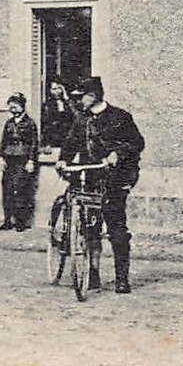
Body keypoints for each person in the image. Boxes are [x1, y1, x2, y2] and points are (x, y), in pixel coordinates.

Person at [57, 76, 144, 293]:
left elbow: (137, 143)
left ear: (93, 96)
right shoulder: (82, 120)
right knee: (90, 229)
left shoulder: (120, 117)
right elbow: (71, 143)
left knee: (117, 230)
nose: (78, 102)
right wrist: (62, 159)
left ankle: (121, 278)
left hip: (116, 180)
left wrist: (117, 153)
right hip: (90, 178)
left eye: (82, 97)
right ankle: (93, 274)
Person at [0, 92, 39, 231]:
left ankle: (21, 222)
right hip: (9, 159)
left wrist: (31, 161)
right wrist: (1, 157)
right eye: (11, 106)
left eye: (15, 105)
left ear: (22, 106)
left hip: (23, 160)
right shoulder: (8, 123)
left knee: (21, 190)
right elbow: (3, 141)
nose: (12, 109)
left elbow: (34, 143)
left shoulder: (30, 123)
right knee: (7, 190)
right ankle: (7, 220)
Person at [38, 77, 74, 153]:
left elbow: (75, 117)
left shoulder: (68, 104)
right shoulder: (47, 105)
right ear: (50, 90)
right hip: (54, 141)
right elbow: (46, 126)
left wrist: (66, 98)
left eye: (59, 88)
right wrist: (47, 144)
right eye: (54, 89)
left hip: (68, 140)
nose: (57, 92)